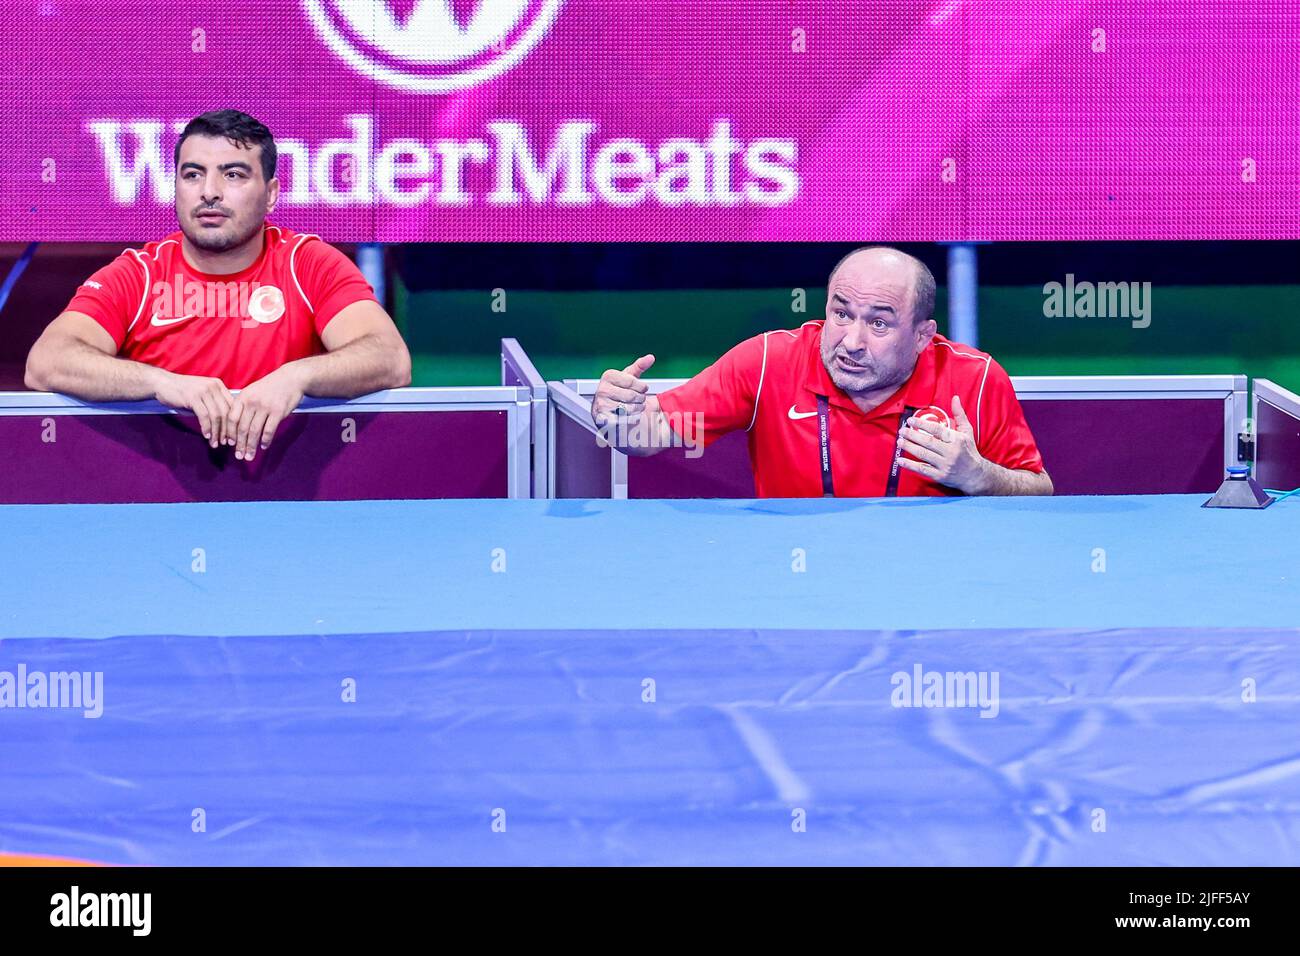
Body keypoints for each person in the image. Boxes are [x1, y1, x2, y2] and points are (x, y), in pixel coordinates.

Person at [24, 109, 411, 462]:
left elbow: (389, 359)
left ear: (271, 194)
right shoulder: (138, 274)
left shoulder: (308, 264)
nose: (209, 191)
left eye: (233, 174)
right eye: (193, 174)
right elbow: (46, 362)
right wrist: (160, 383)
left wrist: (297, 376)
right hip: (157, 498)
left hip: (290, 493)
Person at [592, 246, 1052, 497]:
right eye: (841, 313)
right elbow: (653, 434)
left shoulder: (974, 379)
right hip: (798, 581)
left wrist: (978, 477)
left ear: (921, 335)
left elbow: (1038, 491)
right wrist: (621, 420)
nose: (852, 341)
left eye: (878, 322)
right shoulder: (769, 361)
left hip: (930, 584)